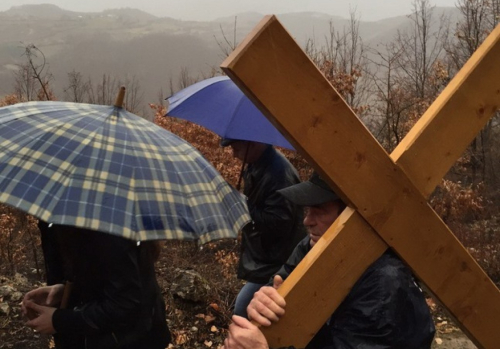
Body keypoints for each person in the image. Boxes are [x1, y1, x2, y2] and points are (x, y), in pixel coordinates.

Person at [223, 172, 436, 349]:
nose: (307, 221)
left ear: (353, 218)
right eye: (307, 210)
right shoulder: (313, 246)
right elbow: (280, 284)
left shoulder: (384, 282)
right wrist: (264, 301)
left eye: (319, 210)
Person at [22, 225, 171, 349]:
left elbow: (125, 303)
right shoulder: (86, 220)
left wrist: (59, 321)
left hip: (133, 339)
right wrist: (64, 291)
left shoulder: (111, 228)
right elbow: (102, 275)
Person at [221, 138, 305, 318]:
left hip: (279, 262)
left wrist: (242, 205)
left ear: (253, 144)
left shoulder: (279, 174)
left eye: (236, 148)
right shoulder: (257, 165)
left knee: (243, 310)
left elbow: (278, 224)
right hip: (266, 259)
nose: (233, 154)